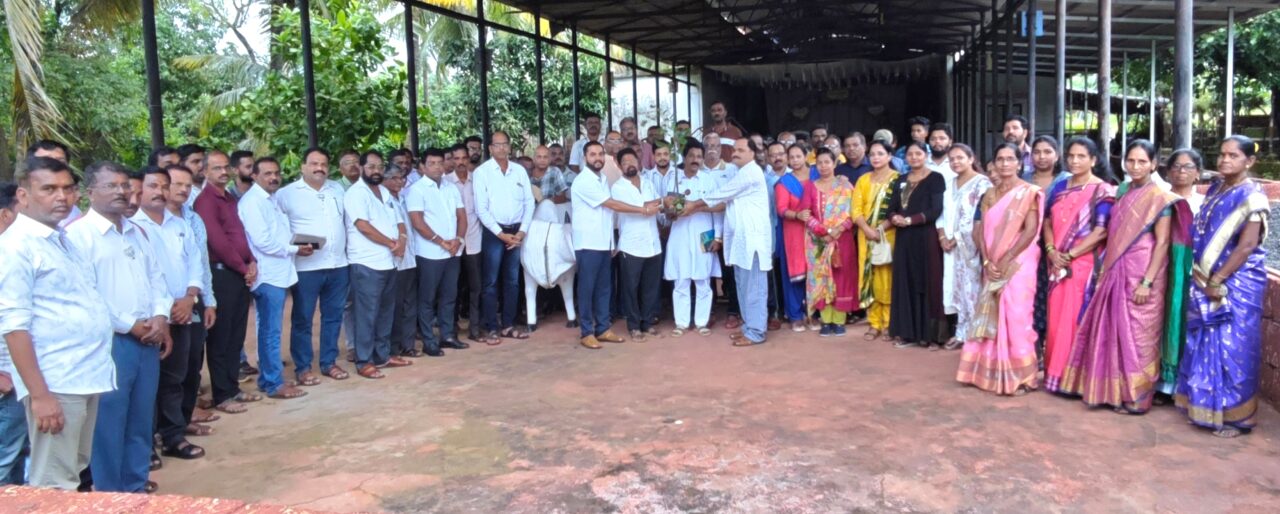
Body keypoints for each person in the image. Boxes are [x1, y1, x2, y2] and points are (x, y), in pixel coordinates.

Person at [0, 157, 114, 489]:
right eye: (49, 189)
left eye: (67, 188)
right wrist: (40, 395)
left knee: (72, 470)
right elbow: (14, 326)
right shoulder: (15, 246)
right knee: (54, 483)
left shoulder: (59, 238)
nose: (61, 197)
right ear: (23, 196)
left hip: (82, 374)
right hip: (56, 380)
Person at [1059, 140, 1190, 414]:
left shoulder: (1160, 197)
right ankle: (1114, 393)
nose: (1135, 166)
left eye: (1142, 161)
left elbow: (1162, 243)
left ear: (1154, 164)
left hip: (1144, 272)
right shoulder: (1121, 191)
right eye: (1131, 161)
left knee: (1140, 336)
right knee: (1113, 331)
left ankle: (1138, 397)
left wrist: (1147, 282)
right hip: (1116, 268)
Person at [65, 162, 170, 494]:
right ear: (89, 192)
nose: (122, 192)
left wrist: (160, 316)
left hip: (148, 338)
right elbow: (87, 293)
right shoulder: (78, 237)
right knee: (108, 426)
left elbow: (157, 278)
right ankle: (111, 496)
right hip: (110, 343)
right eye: (111, 186)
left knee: (140, 420)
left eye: (125, 185)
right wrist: (130, 325)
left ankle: (135, 489)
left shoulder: (136, 232)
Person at [1176, 135, 1269, 437]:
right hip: (1206, 277)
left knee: (1234, 348)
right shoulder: (1217, 187)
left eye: (1233, 156)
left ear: (1249, 161)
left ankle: (1238, 418)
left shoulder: (1252, 196)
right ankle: (1206, 407)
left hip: (1236, 282)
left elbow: (1247, 245)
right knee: (1205, 342)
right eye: (1222, 154)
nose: (1225, 160)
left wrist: (1217, 279)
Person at [132, 167, 211, 459]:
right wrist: (164, 309)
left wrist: (190, 297)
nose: (160, 191)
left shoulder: (179, 225)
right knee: (150, 384)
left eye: (164, 186)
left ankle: (173, 436)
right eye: (153, 185)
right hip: (152, 318)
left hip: (183, 312)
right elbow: (145, 275)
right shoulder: (133, 227)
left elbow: (195, 263)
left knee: (178, 377)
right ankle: (147, 444)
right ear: (139, 189)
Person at [956, 143, 1044, 396]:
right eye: (1000, 159)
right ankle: (990, 372)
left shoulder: (1028, 192)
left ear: (1019, 163)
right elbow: (981, 230)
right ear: (993, 164)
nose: (1005, 164)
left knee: (1017, 315)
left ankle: (1022, 377)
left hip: (1018, 262)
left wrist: (1007, 258)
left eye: (1010, 159)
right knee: (993, 314)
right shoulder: (989, 195)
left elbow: (1030, 230)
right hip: (992, 262)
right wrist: (987, 261)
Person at [682, 139, 773, 347]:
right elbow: (723, 202)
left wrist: (693, 204)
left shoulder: (751, 172)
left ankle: (756, 332)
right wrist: (695, 208)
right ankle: (749, 328)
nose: (735, 153)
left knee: (754, 288)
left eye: (741, 150)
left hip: (752, 242)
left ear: (752, 153)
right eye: (734, 149)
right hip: (740, 242)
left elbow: (722, 194)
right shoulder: (740, 172)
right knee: (742, 287)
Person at [1042, 137, 1115, 393]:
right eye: (1071, 156)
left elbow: (1101, 231)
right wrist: (1052, 251)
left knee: (1075, 320)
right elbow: (1047, 222)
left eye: (1081, 156)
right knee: (1056, 320)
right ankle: (1055, 375)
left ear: (1093, 160)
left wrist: (1069, 254)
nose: (1074, 161)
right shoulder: (1060, 186)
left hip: (1083, 264)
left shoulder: (1103, 190)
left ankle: (1075, 381)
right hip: (1056, 262)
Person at [192, 152, 262, 413]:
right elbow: (217, 241)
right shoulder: (205, 201)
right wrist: (244, 267)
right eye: (216, 168)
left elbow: (240, 234)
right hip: (221, 274)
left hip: (238, 273)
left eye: (225, 168)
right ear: (205, 172)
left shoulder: (230, 198)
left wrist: (251, 261)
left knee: (235, 335)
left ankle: (233, 388)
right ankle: (222, 394)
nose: (223, 172)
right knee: (221, 337)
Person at [276, 148, 350, 382]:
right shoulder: (286, 194)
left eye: (324, 164)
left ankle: (329, 362)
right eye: (314, 163)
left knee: (333, 316)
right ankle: (303, 367)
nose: (319, 168)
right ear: (303, 167)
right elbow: (278, 227)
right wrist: (294, 246)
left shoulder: (337, 189)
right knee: (303, 318)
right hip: (306, 267)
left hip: (338, 265)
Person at [238, 158, 309, 399]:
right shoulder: (253, 202)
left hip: (280, 272)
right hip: (268, 275)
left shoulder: (272, 199)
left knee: (271, 329)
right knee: (270, 331)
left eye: (276, 173)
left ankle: (270, 378)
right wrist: (295, 249)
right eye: (267, 173)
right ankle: (272, 383)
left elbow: (280, 234)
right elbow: (263, 242)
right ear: (255, 176)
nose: (273, 177)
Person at [345, 151, 413, 378]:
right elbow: (363, 226)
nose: (376, 171)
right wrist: (392, 243)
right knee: (367, 314)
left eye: (379, 167)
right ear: (361, 168)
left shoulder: (384, 191)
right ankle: (364, 360)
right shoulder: (356, 193)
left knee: (385, 312)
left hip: (389, 262)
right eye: (371, 166)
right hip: (366, 263)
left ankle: (382, 356)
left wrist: (402, 241)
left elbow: (400, 221)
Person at [474, 131, 535, 342]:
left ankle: (508, 325)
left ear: (509, 147)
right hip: (494, 232)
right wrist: (501, 235)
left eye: (504, 144)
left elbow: (529, 202)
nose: (501, 148)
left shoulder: (519, 171)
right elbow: (481, 209)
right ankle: (492, 326)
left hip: (517, 231)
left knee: (513, 280)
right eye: (497, 145)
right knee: (491, 281)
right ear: (490, 148)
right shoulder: (482, 173)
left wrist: (522, 231)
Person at [407, 148, 469, 357]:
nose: (436, 167)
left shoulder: (451, 188)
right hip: (429, 253)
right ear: (423, 167)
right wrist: (441, 242)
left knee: (449, 296)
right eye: (431, 163)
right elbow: (417, 222)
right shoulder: (416, 190)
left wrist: (458, 240)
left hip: (452, 252)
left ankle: (447, 335)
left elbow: (462, 216)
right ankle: (428, 341)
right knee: (427, 299)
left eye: (439, 163)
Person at [886, 142, 947, 348]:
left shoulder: (935, 179)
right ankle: (907, 333)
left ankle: (929, 335)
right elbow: (891, 207)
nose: (914, 157)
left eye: (918, 153)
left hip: (925, 237)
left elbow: (936, 209)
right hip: (904, 238)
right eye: (910, 154)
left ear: (926, 155)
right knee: (905, 281)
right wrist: (894, 217)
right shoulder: (901, 179)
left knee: (927, 281)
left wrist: (910, 220)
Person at [1158, 149, 1205, 397]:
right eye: (1175, 166)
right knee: (1157, 319)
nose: (1181, 171)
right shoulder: (1159, 199)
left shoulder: (1204, 204)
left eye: (1187, 167)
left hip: (1189, 270)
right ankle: (1157, 382)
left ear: (1198, 173)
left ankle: (1179, 383)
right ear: (1167, 172)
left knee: (1182, 318)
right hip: (1158, 264)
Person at [663, 143, 721, 337]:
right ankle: (681, 323)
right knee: (681, 280)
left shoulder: (708, 180)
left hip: (705, 234)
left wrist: (718, 237)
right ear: (684, 158)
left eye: (699, 156)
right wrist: (673, 210)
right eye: (691, 156)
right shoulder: (674, 179)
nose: (695, 160)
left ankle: (701, 322)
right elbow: (669, 211)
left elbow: (718, 209)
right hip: (679, 234)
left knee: (703, 280)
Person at [940, 144, 992, 350]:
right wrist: (943, 236)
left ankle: (974, 335)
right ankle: (961, 332)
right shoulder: (950, 183)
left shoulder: (982, 184)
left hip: (971, 246)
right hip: (951, 248)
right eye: (951, 159)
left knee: (973, 289)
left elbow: (978, 217)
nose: (955, 162)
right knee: (957, 288)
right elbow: (943, 213)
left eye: (960, 157)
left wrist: (957, 238)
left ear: (971, 159)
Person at [801, 148, 857, 337]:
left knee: (841, 277)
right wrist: (822, 232)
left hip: (843, 240)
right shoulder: (810, 187)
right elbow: (806, 214)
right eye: (820, 163)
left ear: (834, 164)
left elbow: (854, 212)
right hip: (818, 242)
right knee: (822, 278)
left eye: (827, 162)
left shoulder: (845, 186)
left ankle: (839, 320)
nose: (823, 166)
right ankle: (826, 320)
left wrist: (838, 230)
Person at [612, 148, 664, 342]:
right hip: (631, 244)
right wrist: (656, 204)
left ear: (639, 162)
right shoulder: (618, 188)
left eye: (632, 160)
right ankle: (634, 326)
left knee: (651, 286)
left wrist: (665, 206)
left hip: (652, 242)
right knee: (630, 288)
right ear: (619, 166)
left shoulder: (648, 183)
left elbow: (658, 208)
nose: (629, 164)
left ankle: (647, 322)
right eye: (624, 162)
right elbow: (640, 207)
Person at [1024, 135, 1069, 356]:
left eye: (1047, 152)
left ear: (1057, 155)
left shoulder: (1067, 181)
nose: (1041, 156)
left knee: (1056, 296)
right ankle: (1034, 346)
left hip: (1059, 246)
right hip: (1027, 245)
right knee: (1032, 295)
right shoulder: (1023, 179)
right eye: (1037, 152)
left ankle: (1055, 349)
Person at [853, 141, 900, 340]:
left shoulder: (897, 180)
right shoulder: (863, 180)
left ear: (889, 156)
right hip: (866, 236)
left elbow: (899, 209)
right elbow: (856, 209)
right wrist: (866, 229)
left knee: (886, 278)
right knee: (869, 278)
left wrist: (879, 230)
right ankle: (874, 323)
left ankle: (889, 323)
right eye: (872, 154)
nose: (875, 157)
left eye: (880, 153)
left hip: (888, 236)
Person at [0, 181, 29, 487]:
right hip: (6, 379)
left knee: (18, 453)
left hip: (19, 375)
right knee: (5, 458)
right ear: (5, 215)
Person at [445, 145, 484, 341]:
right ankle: (451, 329)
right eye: (457, 158)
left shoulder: (478, 180)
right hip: (452, 243)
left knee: (476, 287)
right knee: (453, 288)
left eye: (463, 158)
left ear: (468, 159)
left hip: (474, 240)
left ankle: (475, 329)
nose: (460, 162)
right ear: (452, 160)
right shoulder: (445, 183)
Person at [776, 144, 812, 332]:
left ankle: (814, 313)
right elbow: (781, 209)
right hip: (794, 233)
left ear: (806, 156)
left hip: (817, 232)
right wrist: (797, 215)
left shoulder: (818, 175)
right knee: (795, 274)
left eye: (799, 156)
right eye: (792, 157)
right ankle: (795, 315)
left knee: (816, 272)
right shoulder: (784, 182)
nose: (795, 160)